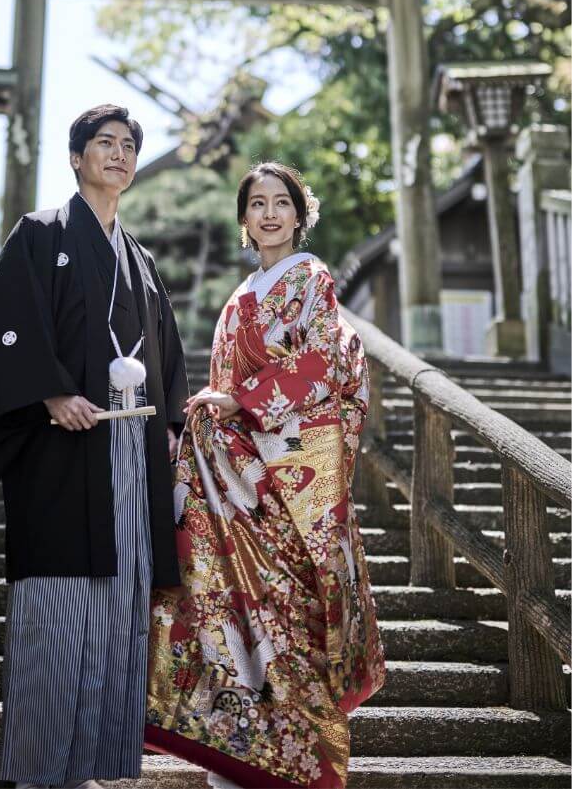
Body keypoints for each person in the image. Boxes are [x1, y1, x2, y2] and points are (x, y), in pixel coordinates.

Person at [0, 104, 187, 789]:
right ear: (76, 157)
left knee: (118, 602)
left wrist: (172, 429)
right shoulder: (41, 234)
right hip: (62, 449)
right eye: (103, 142)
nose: (117, 153)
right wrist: (51, 394)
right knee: (59, 607)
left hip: (130, 450)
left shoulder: (140, 259)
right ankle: (37, 767)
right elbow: (4, 328)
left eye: (127, 145)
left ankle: (88, 764)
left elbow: (170, 358)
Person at [146, 162, 385, 789]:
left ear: (300, 217)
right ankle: (242, 744)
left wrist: (241, 402)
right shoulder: (237, 297)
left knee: (291, 612)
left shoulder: (310, 277)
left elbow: (324, 360)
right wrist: (219, 410)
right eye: (258, 203)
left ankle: (301, 754)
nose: (270, 214)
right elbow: (225, 384)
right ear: (244, 218)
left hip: (284, 479)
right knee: (228, 606)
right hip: (233, 478)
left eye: (283, 203)